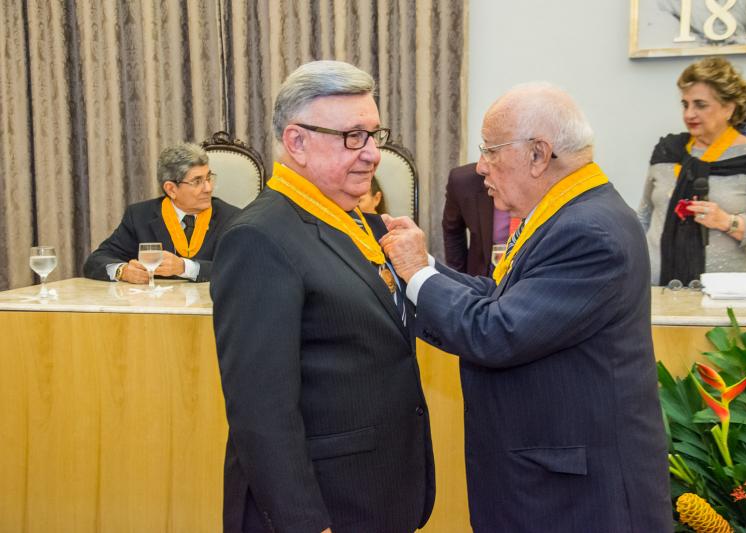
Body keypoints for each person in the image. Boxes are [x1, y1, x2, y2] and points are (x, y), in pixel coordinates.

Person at [380, 83, 672, 532]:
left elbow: (496, 332)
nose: (481, 166)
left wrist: (418, 273)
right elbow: (501, 297)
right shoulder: (574, 212)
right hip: (556, 485)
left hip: (578, 499)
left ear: (538, 154)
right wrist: (423, 269)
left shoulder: (589, 231)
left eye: (490, 151)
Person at [211, 60, 434, 533]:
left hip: (375, 494)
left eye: (374, 135)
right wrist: (306, 524)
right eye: (353, 137)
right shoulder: (259, 237)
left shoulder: (361, 224)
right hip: (322, 507)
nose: (373, 154)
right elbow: (261, 411)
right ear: (296, 142)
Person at [638, 56, 746, 286]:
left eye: (700, 105)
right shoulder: (668, 151)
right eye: (685, 104)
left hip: (722, 292)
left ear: (728, 108)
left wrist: (727, 221)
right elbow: (645, 216)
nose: (689, 114)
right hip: (656, 287)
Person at [83, 143, 240, 283]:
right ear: (171, 189)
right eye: (197, 181)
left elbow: (238, 268)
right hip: (154, 305)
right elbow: (96, 260)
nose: (208, 188)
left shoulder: (231, 217)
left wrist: (185, 267)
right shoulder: (140, 216)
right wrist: (122, 271)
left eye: (208, 178)